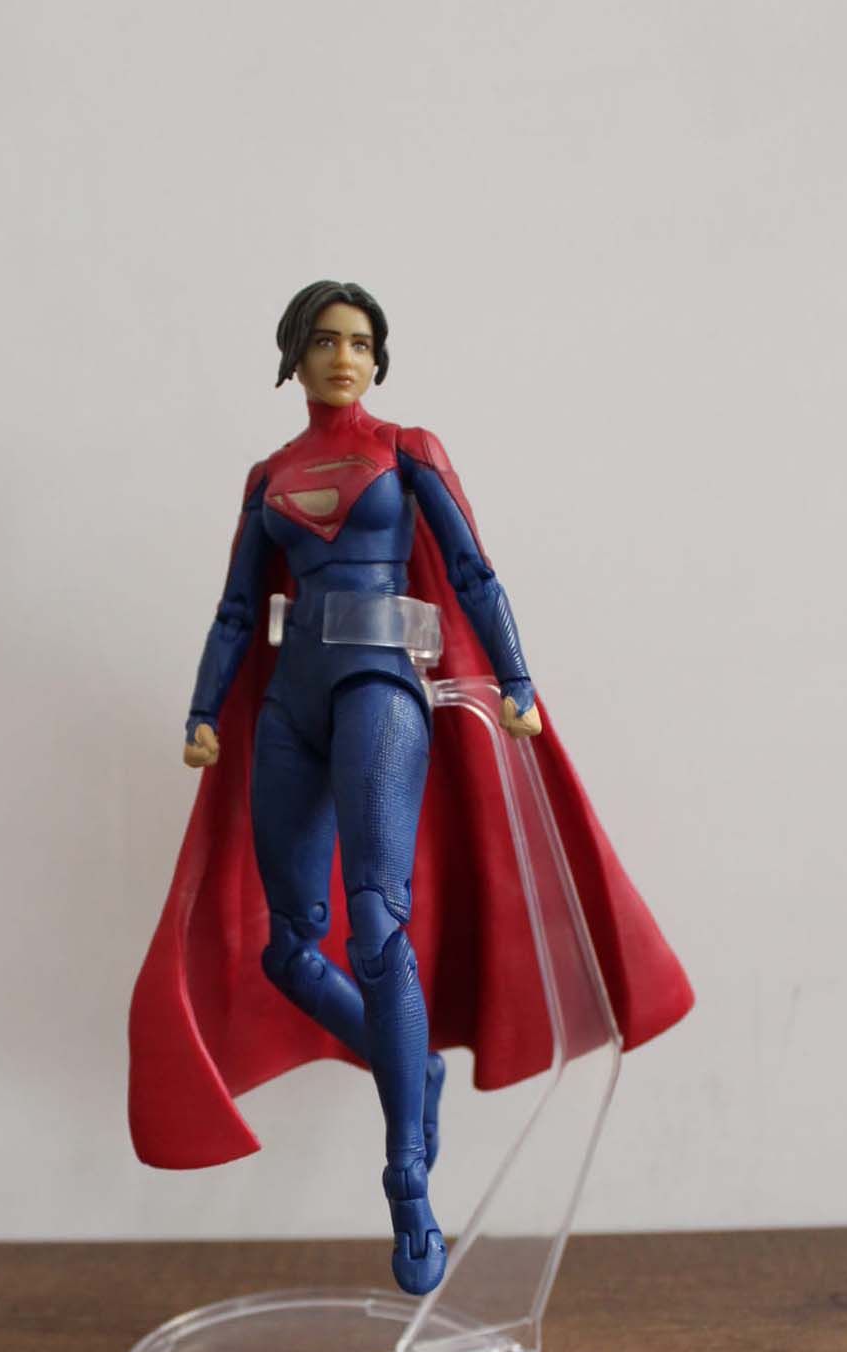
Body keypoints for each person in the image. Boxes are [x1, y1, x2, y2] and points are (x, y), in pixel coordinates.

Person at [129, 280, 694, 1298]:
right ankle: (413, 1064)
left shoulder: (405, 450)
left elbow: (473, 573)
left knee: (379, 926)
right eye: (324, 340)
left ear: (377, 358)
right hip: (291, 703)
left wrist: (517, 682)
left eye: (360, 342)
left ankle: (407, 1182)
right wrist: (205, 707)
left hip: (380, 686)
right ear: (294, 357)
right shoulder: (269, 475)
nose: (344, 356)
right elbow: (235, 609)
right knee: (289, 949)